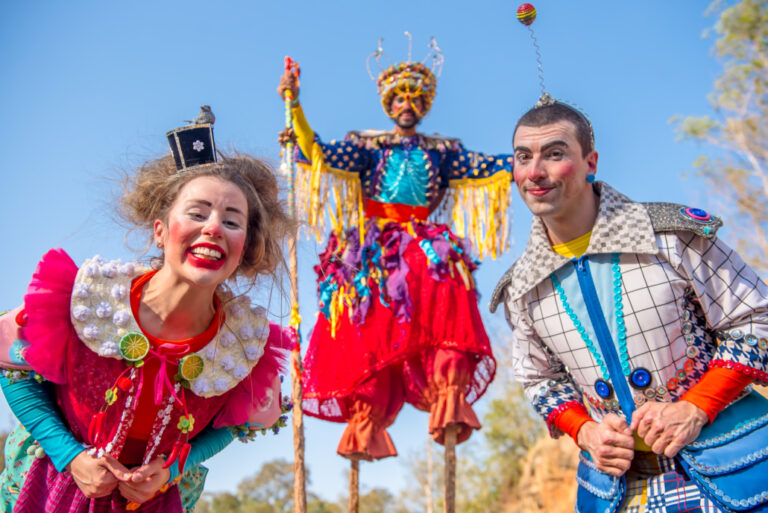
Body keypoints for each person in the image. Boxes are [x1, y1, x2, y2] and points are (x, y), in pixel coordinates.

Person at [0, 116, 295, 512]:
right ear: (159, 230)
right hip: (55, 493)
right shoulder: (89, 298)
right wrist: (70, 456)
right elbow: (16, 370)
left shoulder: (243, 343)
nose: (214, 229)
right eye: (197, 213)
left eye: (231, 221)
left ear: (244, 247)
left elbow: (237, 423)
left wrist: (175, 468)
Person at [490, 98, 768, 512]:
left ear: (590, 161)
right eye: (523, 157)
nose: (535, 172)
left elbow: (756, 319)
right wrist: (585, 432)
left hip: (737, 463)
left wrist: (695, 407)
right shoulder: (520, 288)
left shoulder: (673, 236)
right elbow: (540, 380)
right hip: (619, 492)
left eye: (555, 154)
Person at [276, 45, 514, 462]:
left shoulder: (443, 151)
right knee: (364, 322)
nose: (407, 105)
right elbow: (317, 151)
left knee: (449, 293)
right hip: (376, 249)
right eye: (399, 98)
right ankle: (366, 417)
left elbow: (487, 165)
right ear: (389, 104)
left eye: (414, 99)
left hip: (425, 246)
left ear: (423, 106)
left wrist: (533, 158)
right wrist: (294, 107)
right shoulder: (367, 146)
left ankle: (448, 397)